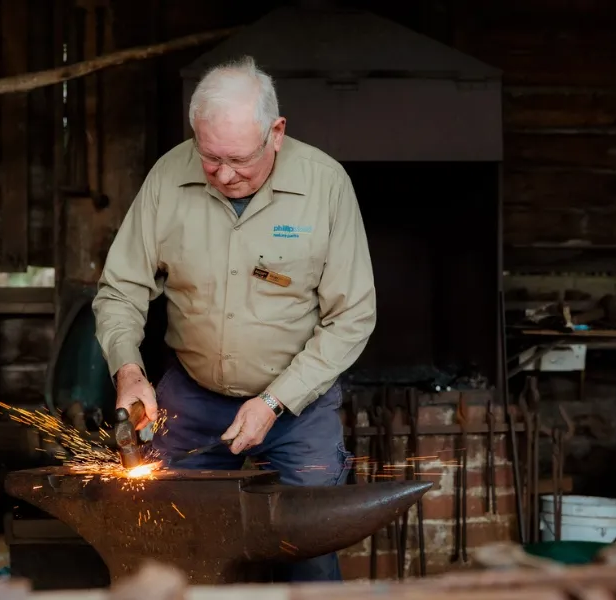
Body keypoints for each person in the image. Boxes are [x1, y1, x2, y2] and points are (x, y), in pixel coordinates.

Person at [92, 56, 376, 582]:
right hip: (192, 400)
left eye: (239, 160)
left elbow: (352, 317)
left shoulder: (326, 185)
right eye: (210, 158)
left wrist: (274, 402)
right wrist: (128, 370)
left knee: (309, 556)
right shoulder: (166, 178)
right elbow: (120, 290)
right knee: (173, 553)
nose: (224, 175)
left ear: (276, 132)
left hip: (298, 407)